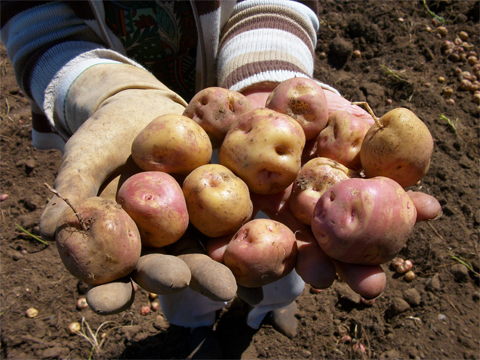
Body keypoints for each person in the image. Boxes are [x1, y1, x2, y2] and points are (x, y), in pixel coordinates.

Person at [1, 1, 441, 358]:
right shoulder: (155, 165)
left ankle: (267, 310)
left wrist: (268, 80)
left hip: (246, 110)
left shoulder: (299, 168)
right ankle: (194, 327)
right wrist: (102, 87)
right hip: (144, 125)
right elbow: (30, 21)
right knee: (186, 270)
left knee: (286, 259)